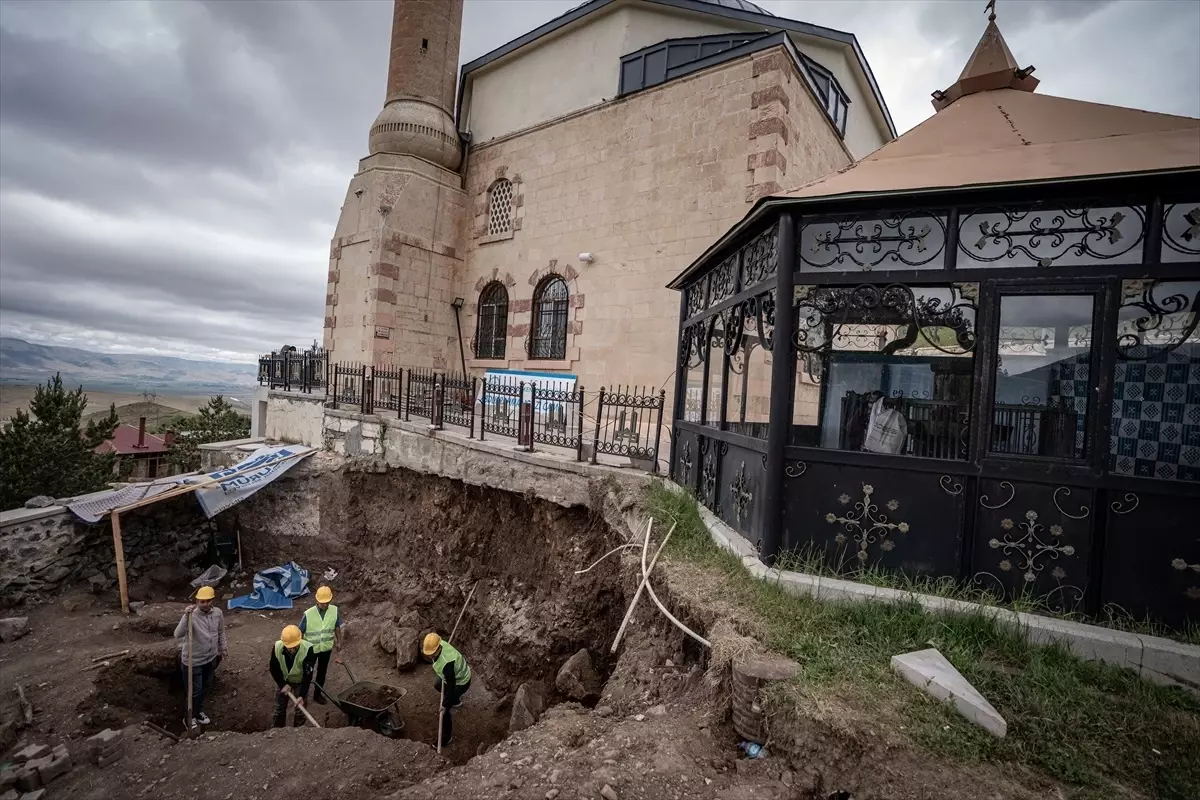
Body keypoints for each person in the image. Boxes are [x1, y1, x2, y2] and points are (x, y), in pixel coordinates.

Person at [173, 585, 227, 729]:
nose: (205, 604)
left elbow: (221, 631)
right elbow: (177, 634)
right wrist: (185, 616)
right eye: (202, 601)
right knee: (194, 691)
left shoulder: (218, 614)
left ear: (212, 600)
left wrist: (223, 647)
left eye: (208, 601)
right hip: (193, 661)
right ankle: (188, 717)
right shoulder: (191, 615)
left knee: (206, 688)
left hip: (210, 659)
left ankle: (198, 712)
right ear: (197, 602)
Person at [421, 632, 471, 747]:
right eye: (429, 653)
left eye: (433, 654)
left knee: (444, 712)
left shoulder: (447, 664)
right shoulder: (440, 642)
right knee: (438, 684)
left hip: (461, 682)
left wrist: (445, 703)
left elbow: (451, 685)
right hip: (453, 677)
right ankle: (456, 701)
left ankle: (446, 737)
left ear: (438, 648)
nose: (430, 656)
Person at [299, 585, 343, 704]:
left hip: (326, 648)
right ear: (317, 600)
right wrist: (300, 650)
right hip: (311, 649)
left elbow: (337, 626)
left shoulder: (334, 610)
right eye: (322, 602)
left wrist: (339, 641)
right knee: (308, 672)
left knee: (322, 672)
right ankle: (303, 696)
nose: (325, 605)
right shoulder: (308, 614)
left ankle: (317, 694)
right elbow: (300, 632)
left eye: (327, 602)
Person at [270, 624, 316, 728]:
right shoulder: (277, 647)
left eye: (295, 646)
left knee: (300, 709)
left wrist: (302, 695)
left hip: (300, 681)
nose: (293, 649)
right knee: (279, 708)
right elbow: (273, 668)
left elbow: (308, 675)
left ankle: (298, 732)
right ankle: (278, 731)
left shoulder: (308, 649)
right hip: (284, 680)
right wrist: (282, 684)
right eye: (290, 647)